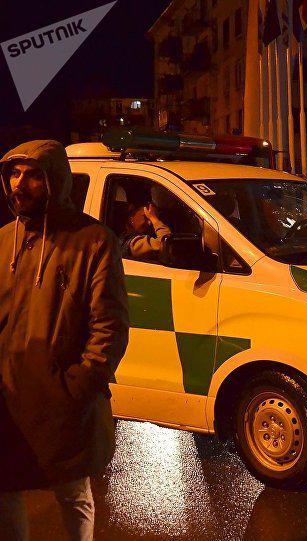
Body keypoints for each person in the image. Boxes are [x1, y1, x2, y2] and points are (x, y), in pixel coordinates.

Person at [0, 140, 130, 541]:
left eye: (33, 175)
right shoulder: (3, 240)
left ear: (55, 180)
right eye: (14, 174)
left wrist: (78, 387)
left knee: (72, 492)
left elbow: (109, 326)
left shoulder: (93, 241)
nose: (20, 184)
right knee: (6, 488)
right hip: (8, 397)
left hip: (62, 401)